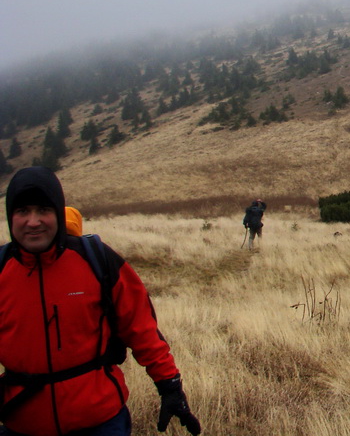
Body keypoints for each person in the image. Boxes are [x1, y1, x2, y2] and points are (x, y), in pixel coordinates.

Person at [0, 166, 202, 436]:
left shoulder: (98, 261)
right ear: (10, 217)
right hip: (23, 425)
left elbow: (141, 330)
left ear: (59, 214)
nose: (33, 221)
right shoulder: (1, 270)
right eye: (23, 211)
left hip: (101, 423)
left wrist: (170, 387)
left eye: (43, 210)